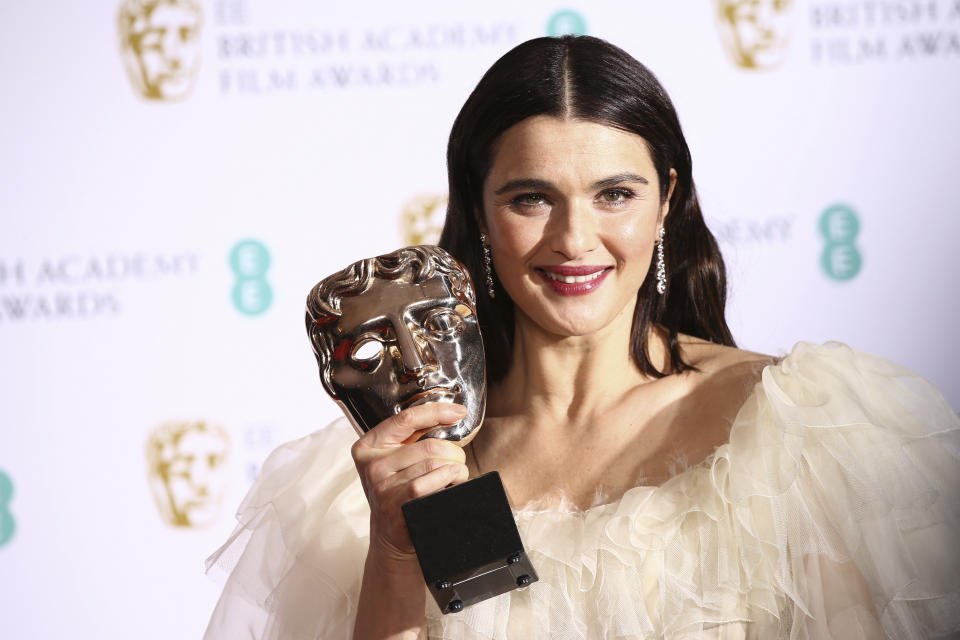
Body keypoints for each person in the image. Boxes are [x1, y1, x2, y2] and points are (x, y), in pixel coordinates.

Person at [203, 36, 960, 639]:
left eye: (614, 195)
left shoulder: (792, 426)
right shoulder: (400, 466)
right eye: (531, 198)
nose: (574, 240)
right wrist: (397, 559)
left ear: (667, 200)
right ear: (480, 210)